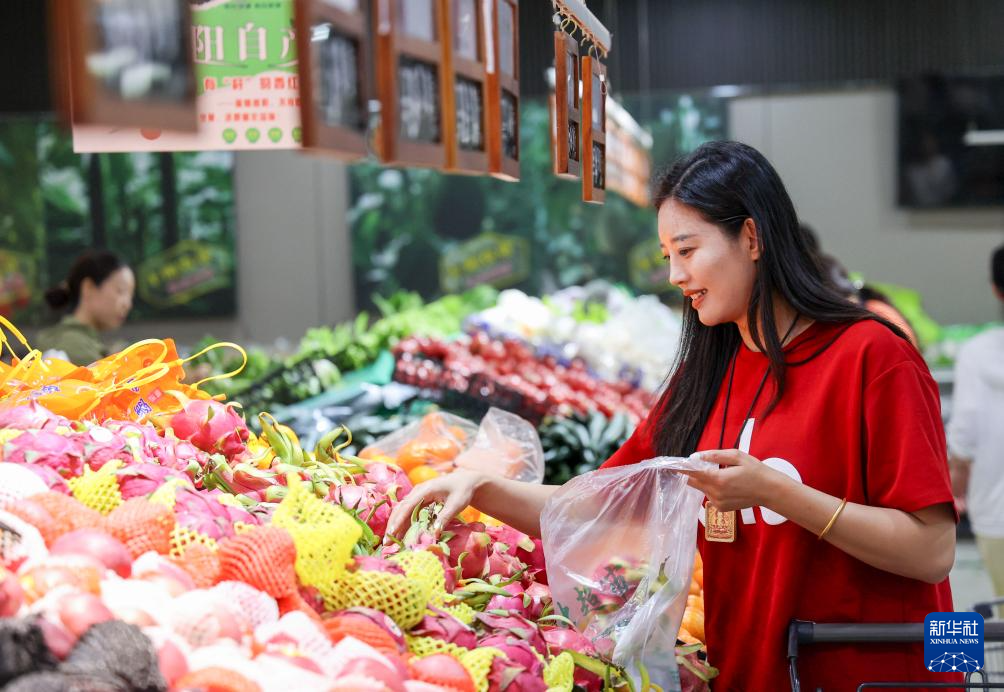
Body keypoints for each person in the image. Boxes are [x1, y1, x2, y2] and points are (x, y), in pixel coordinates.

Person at [387, 141, 958, 690]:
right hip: (752, 673)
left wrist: (775, 492)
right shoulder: (706, 377)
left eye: (687, 250)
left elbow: (932, 551)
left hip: (870, 675)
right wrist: (481, 487)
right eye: (668, 257)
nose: (675, 276)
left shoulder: (872, 357)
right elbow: (596, 506)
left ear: (752, 237)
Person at [948, 242, 1004, 600]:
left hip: (996, 511)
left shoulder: (976, 353)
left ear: (996, 289)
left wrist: (954, 491)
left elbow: (963, 435)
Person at [36, 250, 134, 365]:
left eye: (130, 296)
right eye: (121, 291)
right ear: (89, 287)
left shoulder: (77, 340)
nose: (128, 304)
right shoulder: (73, 346)